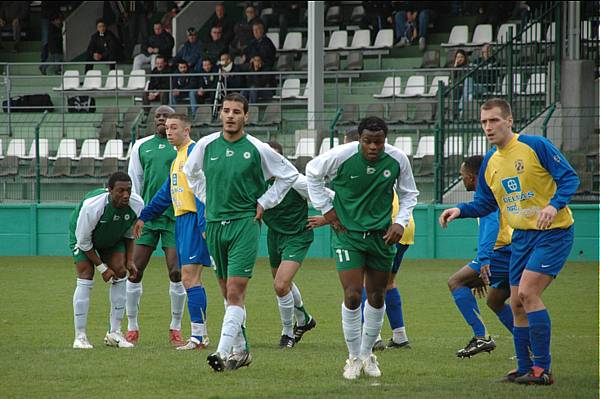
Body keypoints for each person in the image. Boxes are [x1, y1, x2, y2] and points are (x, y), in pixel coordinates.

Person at [439, 98, 579, 385]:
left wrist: (554, 205)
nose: (488, 127)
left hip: (554, 232)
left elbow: (569, 178)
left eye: (494, 121)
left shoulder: (535, 145)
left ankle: (542, 370)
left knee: (527, 294)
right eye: (484, 122)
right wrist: (460, 210)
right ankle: (524, 368)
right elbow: (484, 204)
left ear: (509, 121)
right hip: (521, 238)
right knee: (515, 303)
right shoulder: (491, 161)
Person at [183, 93, 299, 371]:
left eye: (237, 111)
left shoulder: (257, 148)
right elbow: (191, 173)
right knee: (227, 293)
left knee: (235, 289)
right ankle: (241, 350)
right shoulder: (207, 145)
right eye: (226, 111)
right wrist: (207, 197)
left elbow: (289, 175)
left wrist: (264, 202)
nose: (231, 115)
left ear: (246, 116)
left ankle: (222, 353)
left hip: (244, 225)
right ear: (220, 114)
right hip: (214, 225)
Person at [305, 116, 419, 380]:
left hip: (381, 237)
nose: (373, 147)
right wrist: (327, 210)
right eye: (367, 141)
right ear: (360, 139)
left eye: (378, 142)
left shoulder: (398, 159)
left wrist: (400, 222)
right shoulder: (341, 156)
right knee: (354, 294)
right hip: (349, 236)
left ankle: (368, 355)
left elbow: (409, 193)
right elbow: (312, 172)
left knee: (377, 295)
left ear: (385, 141)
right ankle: (353, 357)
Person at [133, 113, 212, 350]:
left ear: (187, 130)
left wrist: (203, 224)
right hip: (182, 221)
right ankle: (201, 334)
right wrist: (144, 216)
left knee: (189, 277)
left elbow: (203, 192)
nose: (169, 132)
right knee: (191, 278)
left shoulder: (193, 153)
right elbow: (166, 193)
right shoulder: (178, 157)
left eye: (174, 127)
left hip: (193, 221)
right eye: (167, 128)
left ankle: (199, 336)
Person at [126, 105, 187, 346]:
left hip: (176, 216)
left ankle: (176, 327)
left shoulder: (182, 147)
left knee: (176, 271)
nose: (162, 119)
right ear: (153, 120)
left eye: (167, 117)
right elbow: (135, 181)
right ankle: (132, 327)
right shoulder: (142, 146)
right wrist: (135, 214)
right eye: (158, 116)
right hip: (148, 217)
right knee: (135, 270)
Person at [447, 155, 514, 358]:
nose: (462, 180)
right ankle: (528, 346)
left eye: (463, 176)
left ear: (473, 177)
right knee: (495, 300)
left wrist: (484, 259)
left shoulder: (486, 194)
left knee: (456, 282)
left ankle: (482, 338)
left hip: (502, 252)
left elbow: (492, 222)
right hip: (512, 251)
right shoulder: (492, 190)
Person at [69, 171, 144, 349]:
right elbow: (84, 242)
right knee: (86, 274)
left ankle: (115, 332)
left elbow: (129, 233)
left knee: (120, 271)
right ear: (109, 190)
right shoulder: (92, 207)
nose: (126, 195)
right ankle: (80, 337)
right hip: (83, 238)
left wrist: (130, 260)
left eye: (129, 190)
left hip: (112, 238)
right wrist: (102, 268)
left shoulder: (137, 204)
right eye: (120, 191)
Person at [263, 141, 318, 349]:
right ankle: (304, 319)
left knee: (280, 285)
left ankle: (288, 333)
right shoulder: (257, 181)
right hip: (274, 236)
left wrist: (326, 218)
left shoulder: (297, 182)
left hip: (297, 236)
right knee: (283, 284)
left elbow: (328, 197)